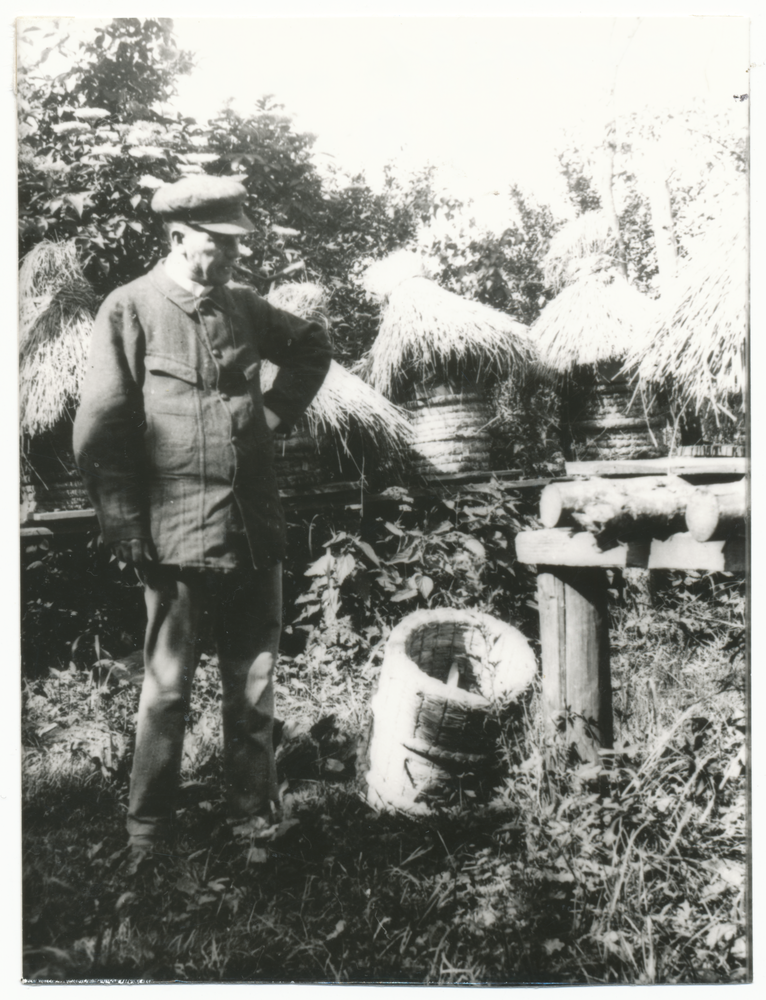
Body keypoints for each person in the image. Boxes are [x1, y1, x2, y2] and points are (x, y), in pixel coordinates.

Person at [73, 175, 332, 862]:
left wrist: (274, 413)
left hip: (253, 530)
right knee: (165, 690)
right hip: (176, 533)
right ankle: (149, 832)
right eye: (220, 245)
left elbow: (313, 347)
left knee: (254, 684)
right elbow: (101, 432)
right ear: (179, 238)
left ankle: (252, 819)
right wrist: (126, 524)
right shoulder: (128, 309)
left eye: (236, 245)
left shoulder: (245, 308)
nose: (233, 258)